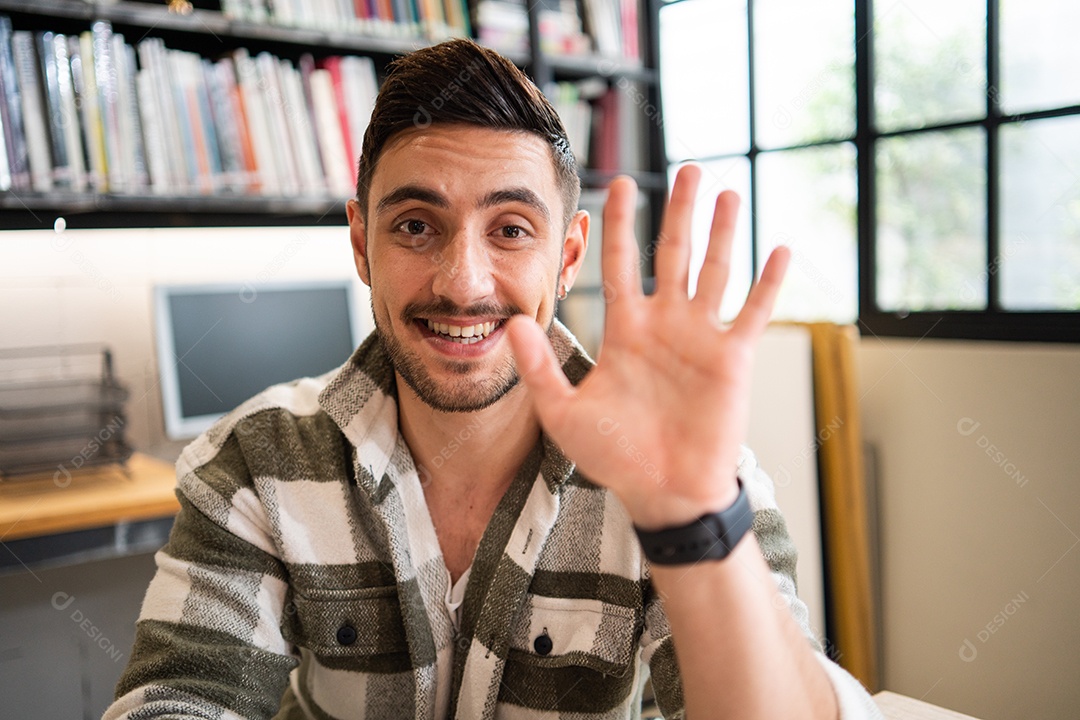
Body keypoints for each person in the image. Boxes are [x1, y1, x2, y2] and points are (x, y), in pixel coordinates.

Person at [104, 39, 882, 720]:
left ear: (568, 256)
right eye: (415, 225)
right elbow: (177, 699)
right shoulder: (256, 459)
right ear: (361, 243)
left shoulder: (686, 471)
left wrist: (693, 519)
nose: (462, 282)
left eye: (511, 230)